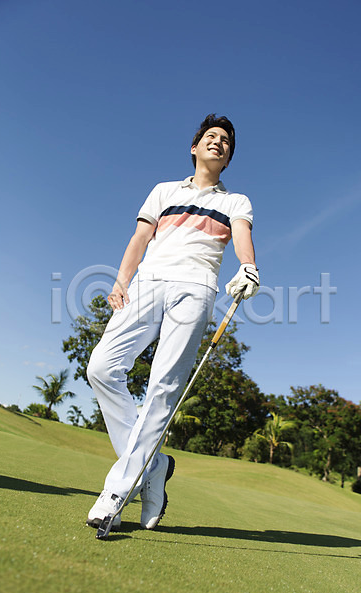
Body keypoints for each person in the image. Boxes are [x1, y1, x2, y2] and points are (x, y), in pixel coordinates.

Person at [86, 114, 260, 531]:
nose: (218, 142)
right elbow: (140, 238)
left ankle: (117, 492)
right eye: (211, 136)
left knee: (162, 387)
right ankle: (154, 466)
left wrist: (248, 266)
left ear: (228, 158)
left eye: (225, 141)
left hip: (196, 287)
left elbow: (242, 236)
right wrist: (121, 280)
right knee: (101, 368)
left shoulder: (236, 202)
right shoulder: (163, 190)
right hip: (147, 282)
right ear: (195, 147)